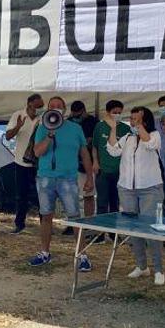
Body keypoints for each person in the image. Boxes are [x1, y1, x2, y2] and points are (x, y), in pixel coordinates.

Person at [27, 96, 95, 271]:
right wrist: (50, 134)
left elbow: (85, 154)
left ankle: (82, 255)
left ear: (65, 110)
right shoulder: (42, 127)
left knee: (75, 217)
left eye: (59, 106)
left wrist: (89, 177)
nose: (56, 108)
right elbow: (37, 152)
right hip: (45, 177)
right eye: (52, 106)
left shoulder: (75, 128)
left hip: (68, 178)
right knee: (46, 215)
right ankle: (44, 252)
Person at [106, 107, 165, 285]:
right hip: (126, 188)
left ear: (145, 120)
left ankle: (158, 269)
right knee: (133, 228)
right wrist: (113, 128)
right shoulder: (128, 138)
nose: (132, 122)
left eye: (137, 119)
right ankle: (141, 266)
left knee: (151, 229)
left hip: (150, 188)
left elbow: (150, 144)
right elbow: (112, 150)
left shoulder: (155, 135)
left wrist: (141, 128)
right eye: (131, 119)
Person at [6, 94, 44, 234]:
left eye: (41, 106)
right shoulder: (18, 115)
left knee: (42, 195)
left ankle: (44, 224)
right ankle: (19, 223)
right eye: (38, 106)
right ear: (29, 104)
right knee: (21, 195)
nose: (40, 108)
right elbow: (8, 136)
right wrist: (18, 126)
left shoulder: (44, 117)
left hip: (39, 163)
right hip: (21, 161)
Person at [92, 100, 130, 224]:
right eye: (114, 112)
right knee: (102, 203)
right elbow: (95, 146)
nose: (117, 115)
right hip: (102, 170)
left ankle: (113, 232)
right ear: (108, 113)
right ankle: (100, 233)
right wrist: (95, 162)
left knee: (115, 203)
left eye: (120, 112)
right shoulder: (100, 126)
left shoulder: (126, 129)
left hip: (118, 172)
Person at [65, 100, 98, 234]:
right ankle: (72, 223)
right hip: (70, 165)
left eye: (79, 115)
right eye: (74, 115)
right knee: (70, 196)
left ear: (84, 111)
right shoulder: (68, 122)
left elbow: (93, 142)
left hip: (86, 165)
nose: (76, 118)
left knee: (88, 195)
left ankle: (89, 224)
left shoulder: (93, 122)